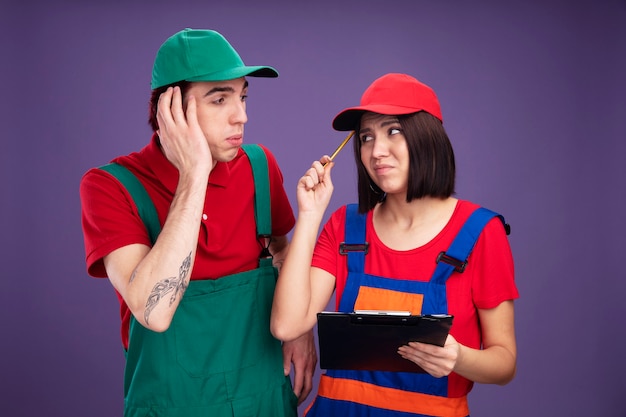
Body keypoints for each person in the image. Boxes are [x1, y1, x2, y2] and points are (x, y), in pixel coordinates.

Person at [80, 28, 316, 417]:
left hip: (264, 399)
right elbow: (153, 312)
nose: (242, 116)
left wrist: (302, 330)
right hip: (170, 406)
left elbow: (281, 250)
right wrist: (194, 176)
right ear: (169, 109)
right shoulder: (110, 186)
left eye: (242, 96)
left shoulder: (259, 167)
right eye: (220, 99)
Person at [271, 73, 518, 416]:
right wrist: (310, 215)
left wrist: (459, 357)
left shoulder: (479, 233)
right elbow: (287, 325)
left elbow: (504, 363)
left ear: (427, 137)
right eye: (367, 137)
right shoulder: (345, 226)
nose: (376, 151)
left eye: (394, 131)